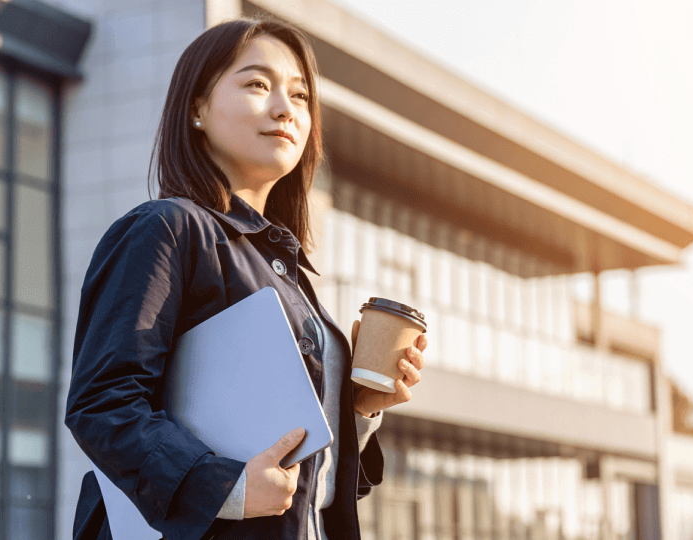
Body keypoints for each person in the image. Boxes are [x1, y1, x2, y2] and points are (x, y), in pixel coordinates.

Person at [65, 17, 427, 540]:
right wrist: (223, 487)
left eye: (300, 95)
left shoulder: (286, 268)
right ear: (197, 109)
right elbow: (103, 404)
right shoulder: (166, 229)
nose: (286, 108)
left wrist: (360, 411)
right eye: (258, 84)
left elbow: (310, 487)